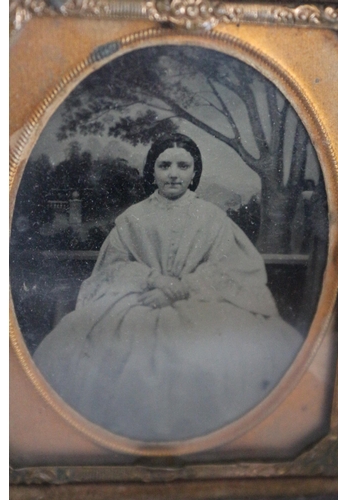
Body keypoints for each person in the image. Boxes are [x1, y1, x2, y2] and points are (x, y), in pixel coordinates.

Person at [33, 134, 303, 442]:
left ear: (194, 172)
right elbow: (113, 267)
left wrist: (181, 286)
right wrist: (153, 279)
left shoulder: (213, 218)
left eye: (183, 165)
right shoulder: (133, 218)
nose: (173, 173)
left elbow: (229, 267)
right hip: (138, 301)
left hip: (200, 300)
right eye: (164, 165)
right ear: (153, 171)